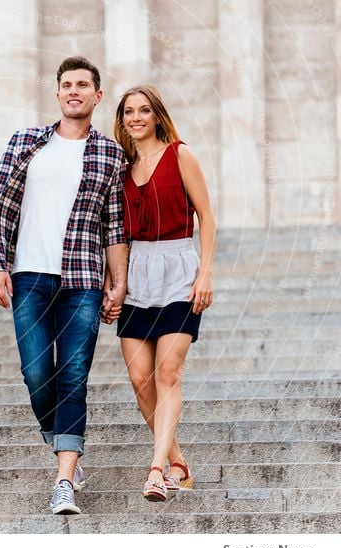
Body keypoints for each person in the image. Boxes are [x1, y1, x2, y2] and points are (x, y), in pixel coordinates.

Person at [0, 56, 129, 515]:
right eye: (67, 84)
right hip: (28, 275)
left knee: (73, 373)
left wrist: (118, 282)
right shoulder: (26, 142)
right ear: (57, 93)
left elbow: (115, 225)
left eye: (83, 85)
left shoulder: (110, 154)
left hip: (83, 280)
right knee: (35, 372)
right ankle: (61, 441)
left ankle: (65, 476)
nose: (74, 91)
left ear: (97, 96)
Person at [102, 85, 216, 502]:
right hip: (136, 274)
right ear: (122, 119)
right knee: (139, 378)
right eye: (129, 111)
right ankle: (178, 460)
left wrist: (205, 274)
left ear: (156, 115)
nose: (136, 118)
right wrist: (113, 283)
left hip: (179, 271)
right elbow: (114, 232)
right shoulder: (120, 168)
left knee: (168, 373)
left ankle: (155, 470)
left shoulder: (180, 154)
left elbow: (206, 215)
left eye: (143, 110)